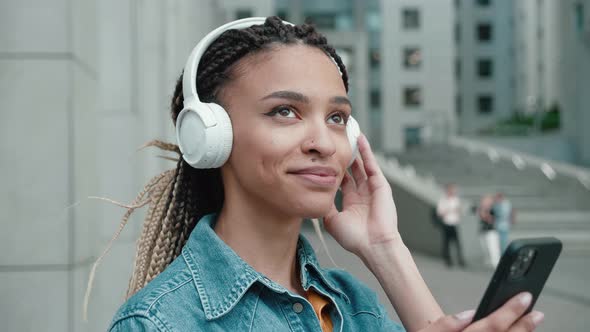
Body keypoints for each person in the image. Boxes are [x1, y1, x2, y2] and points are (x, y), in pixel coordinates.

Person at [95, 16, 544, 331]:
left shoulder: (355, 305)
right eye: (285, 111)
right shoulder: (159, 322)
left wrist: (384, 247)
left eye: (336, 118)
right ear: (211, 137)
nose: (325, 143)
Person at [436, 184, 466, 268]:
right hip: (446, 224)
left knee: (457, 243)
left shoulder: (456, 200)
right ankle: (448, 260)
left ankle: (460, 260)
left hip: (454, 224)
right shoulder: (443, 200)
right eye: (451, 190)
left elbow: (460, 211)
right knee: (446, 243)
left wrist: (458, 210)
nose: (453, 191)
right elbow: (440, 213)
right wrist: (449, 209)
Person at [477, 194, 501, 267]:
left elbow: (490, 220)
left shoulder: (493, 209)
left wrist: (485, 213)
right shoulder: (481, 209)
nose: (484, 203)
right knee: (485, 247)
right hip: (483, 231)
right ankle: (489, 261)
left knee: (493, 248)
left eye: (486, 201)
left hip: (491, 231)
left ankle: (496, 263)